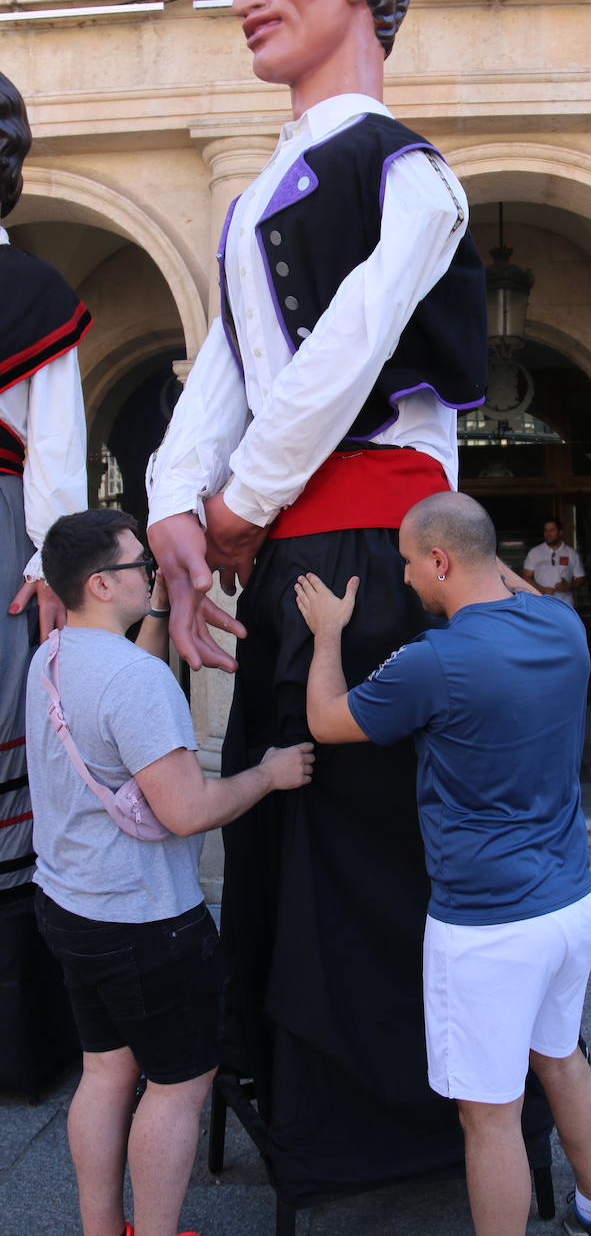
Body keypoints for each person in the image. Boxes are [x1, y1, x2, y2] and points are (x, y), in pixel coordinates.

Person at [145, 0, 488, 1200]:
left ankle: (393, 1121)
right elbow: (224, 375)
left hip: (384, 561)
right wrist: (179, 509)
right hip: (292, 560)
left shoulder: (411, 170)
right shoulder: (249, 200)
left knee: (370, 841)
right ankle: (287, 1095)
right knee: (278, 834)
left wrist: (236, 504)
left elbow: (347, 351)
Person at [295, 491, 591, 1236]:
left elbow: (325, 719)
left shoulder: (433, 660)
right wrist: (479, 553)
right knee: (563, 1059)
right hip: (572, 903)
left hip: (489, 928)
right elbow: (512, 582)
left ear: (440, 560)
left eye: (412, 563)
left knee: (489, 1117)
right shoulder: (563, 626)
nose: (408, 579)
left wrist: (327, 634)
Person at [26, 508, 312, 1236]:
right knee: (179, 1086)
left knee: (105, 1072)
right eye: (140, 567)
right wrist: (270, 775)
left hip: (68, 904)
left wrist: (155, 609)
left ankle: (102, 1229)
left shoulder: (53, 656)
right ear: (100, 583)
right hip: (145, 920)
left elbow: (128, 695)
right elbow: (187, 810)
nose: (153, 574)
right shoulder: (135, 683)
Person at [0, 70, 92, 1092]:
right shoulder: (34, 297)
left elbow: (56, 474)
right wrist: (47, 570)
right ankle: (20, 1044)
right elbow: (55, 466)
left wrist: (40, 565)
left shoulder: (33, 295)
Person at [523, 518, 586, 608]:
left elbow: (581, 578)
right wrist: (542, 589)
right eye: (546, 530)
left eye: (552, 530)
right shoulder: (535, 552)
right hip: (541, 603)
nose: (548, 534)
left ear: (560, 532)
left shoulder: (571, 553)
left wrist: (568, 586)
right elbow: (526, 577)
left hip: (565, 604)